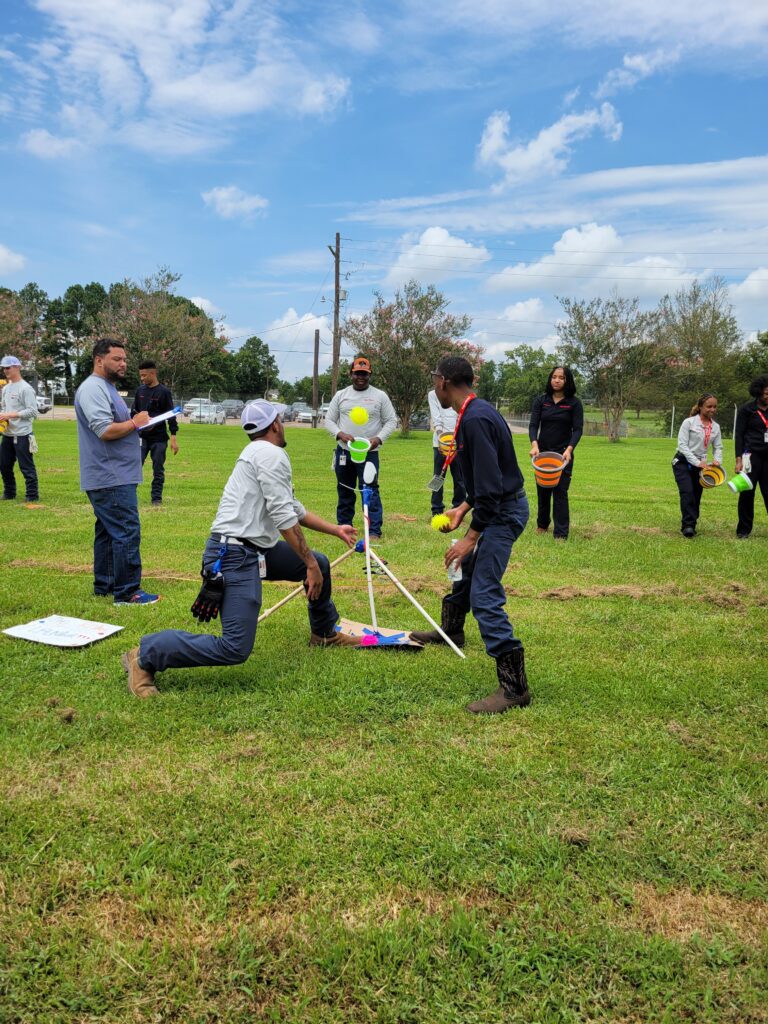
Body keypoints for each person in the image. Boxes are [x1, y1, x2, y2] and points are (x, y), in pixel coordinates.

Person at [120, 400, 360, 698]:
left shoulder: (258, 453)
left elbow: (291, 508)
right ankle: (145, 656)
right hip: (232, 557)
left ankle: (323, 633)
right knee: (234, 647)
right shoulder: (271, 455)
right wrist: (307, 562)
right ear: (274, 424)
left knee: (321, 563)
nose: (283, 425)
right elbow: (284, 518)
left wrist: (334, 530)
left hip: (251, 550)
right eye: (281, 421)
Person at [411, 356, 530, 714]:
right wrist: (463, 508)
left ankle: (514, 689)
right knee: (466, 575)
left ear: (444, 381)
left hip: (503, 513)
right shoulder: (477, 411)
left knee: (484, 592)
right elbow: (485, 477)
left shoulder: (476, 419)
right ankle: (452, 632)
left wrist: (470, 537)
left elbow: (493, 488)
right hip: (496, 506)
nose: (435, 387)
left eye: (435, 380)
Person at [74, 338, 160, 604]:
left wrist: (136, 423)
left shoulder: (106, 387)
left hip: (115, 473)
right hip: (110, 475)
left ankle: (107, 585)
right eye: (117, 359)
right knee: (125, 531)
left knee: (109, 532)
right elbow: (105, 430)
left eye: (124, 359)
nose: (123, 364)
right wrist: (135, 423)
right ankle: (128, 592)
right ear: (99, 360)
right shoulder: (92, 389)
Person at [324, 356, 398, 541]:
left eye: (365, 374)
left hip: (369, 454)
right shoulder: (341, 395)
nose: (361, 377)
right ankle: (344, 527)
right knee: (345, 490)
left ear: (369, 375)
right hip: (344, 452)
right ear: (351, 374)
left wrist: (378, 439)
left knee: (370, 490)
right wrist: (340, 434)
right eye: (357, 373)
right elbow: (329, 420)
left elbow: (391, 421)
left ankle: (373, 531)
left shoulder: (380, 396)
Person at [528, 366, 583, 540]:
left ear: (567, 381)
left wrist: (569, 449)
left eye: (561, 377)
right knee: (543, 491)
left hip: (563, 455)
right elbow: (533, 425)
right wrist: (534, 445)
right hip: (543, 454)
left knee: (560, 492)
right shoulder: (541, 401)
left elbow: (578, 430)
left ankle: (561, 533)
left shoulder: (574, 403)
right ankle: (542, 525)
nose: (557, 380)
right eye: (554, 377)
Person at [672, 393, 723, 538]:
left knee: (696, 495)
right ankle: (687, 526)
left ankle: (692, 524)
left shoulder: (716, 427)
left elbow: (718, 446)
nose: (712, 409)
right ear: (700, 407)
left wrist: (717, 460)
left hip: (701, 466)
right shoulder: (689, 423)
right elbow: (682, 445)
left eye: (714, 407)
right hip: (682, 462)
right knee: (687, 492)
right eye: (709, 406)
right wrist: (696, 461)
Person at [131, 360, 179, 505]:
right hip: (141, 438)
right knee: (134, 467)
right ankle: (130, 497)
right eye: (141, 375)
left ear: (153, 373)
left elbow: (171, 415)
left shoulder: (164, 392)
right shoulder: (140, 391)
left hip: (159, 439)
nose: (142, 378)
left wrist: (173, 438)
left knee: (158, 469)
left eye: (144, 375)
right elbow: (134, 411)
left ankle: (156, 499)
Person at [0, 355, 39, 504]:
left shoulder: (26, 388)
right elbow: (4, 407)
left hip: (23, 435)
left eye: (8, 367)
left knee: (26, 467)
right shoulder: (6, 388)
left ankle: (32, 495)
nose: (5, 370)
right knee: (3, 465)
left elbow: (32, 411)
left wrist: (10, 415)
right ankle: (9, 492)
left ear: (17, 367)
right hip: (8, 434)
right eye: (3, 368)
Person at [734, 374, 768, 539]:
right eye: (767, 393)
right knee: (747, 492)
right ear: (758, 393)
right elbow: (739, 435)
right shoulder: (747, 410)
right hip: (750, 456)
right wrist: (738, 460)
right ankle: (743, 530)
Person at [427, 387, 466, 517]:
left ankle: (458, 509)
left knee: (460, 479)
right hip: (440, 443)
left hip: (457, 443)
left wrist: (458, 440)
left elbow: (461, 416)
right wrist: (441, 439)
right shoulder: (433, 394)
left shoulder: (458, 392)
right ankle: (436, 510)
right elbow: (436, 418)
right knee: (438, 477)